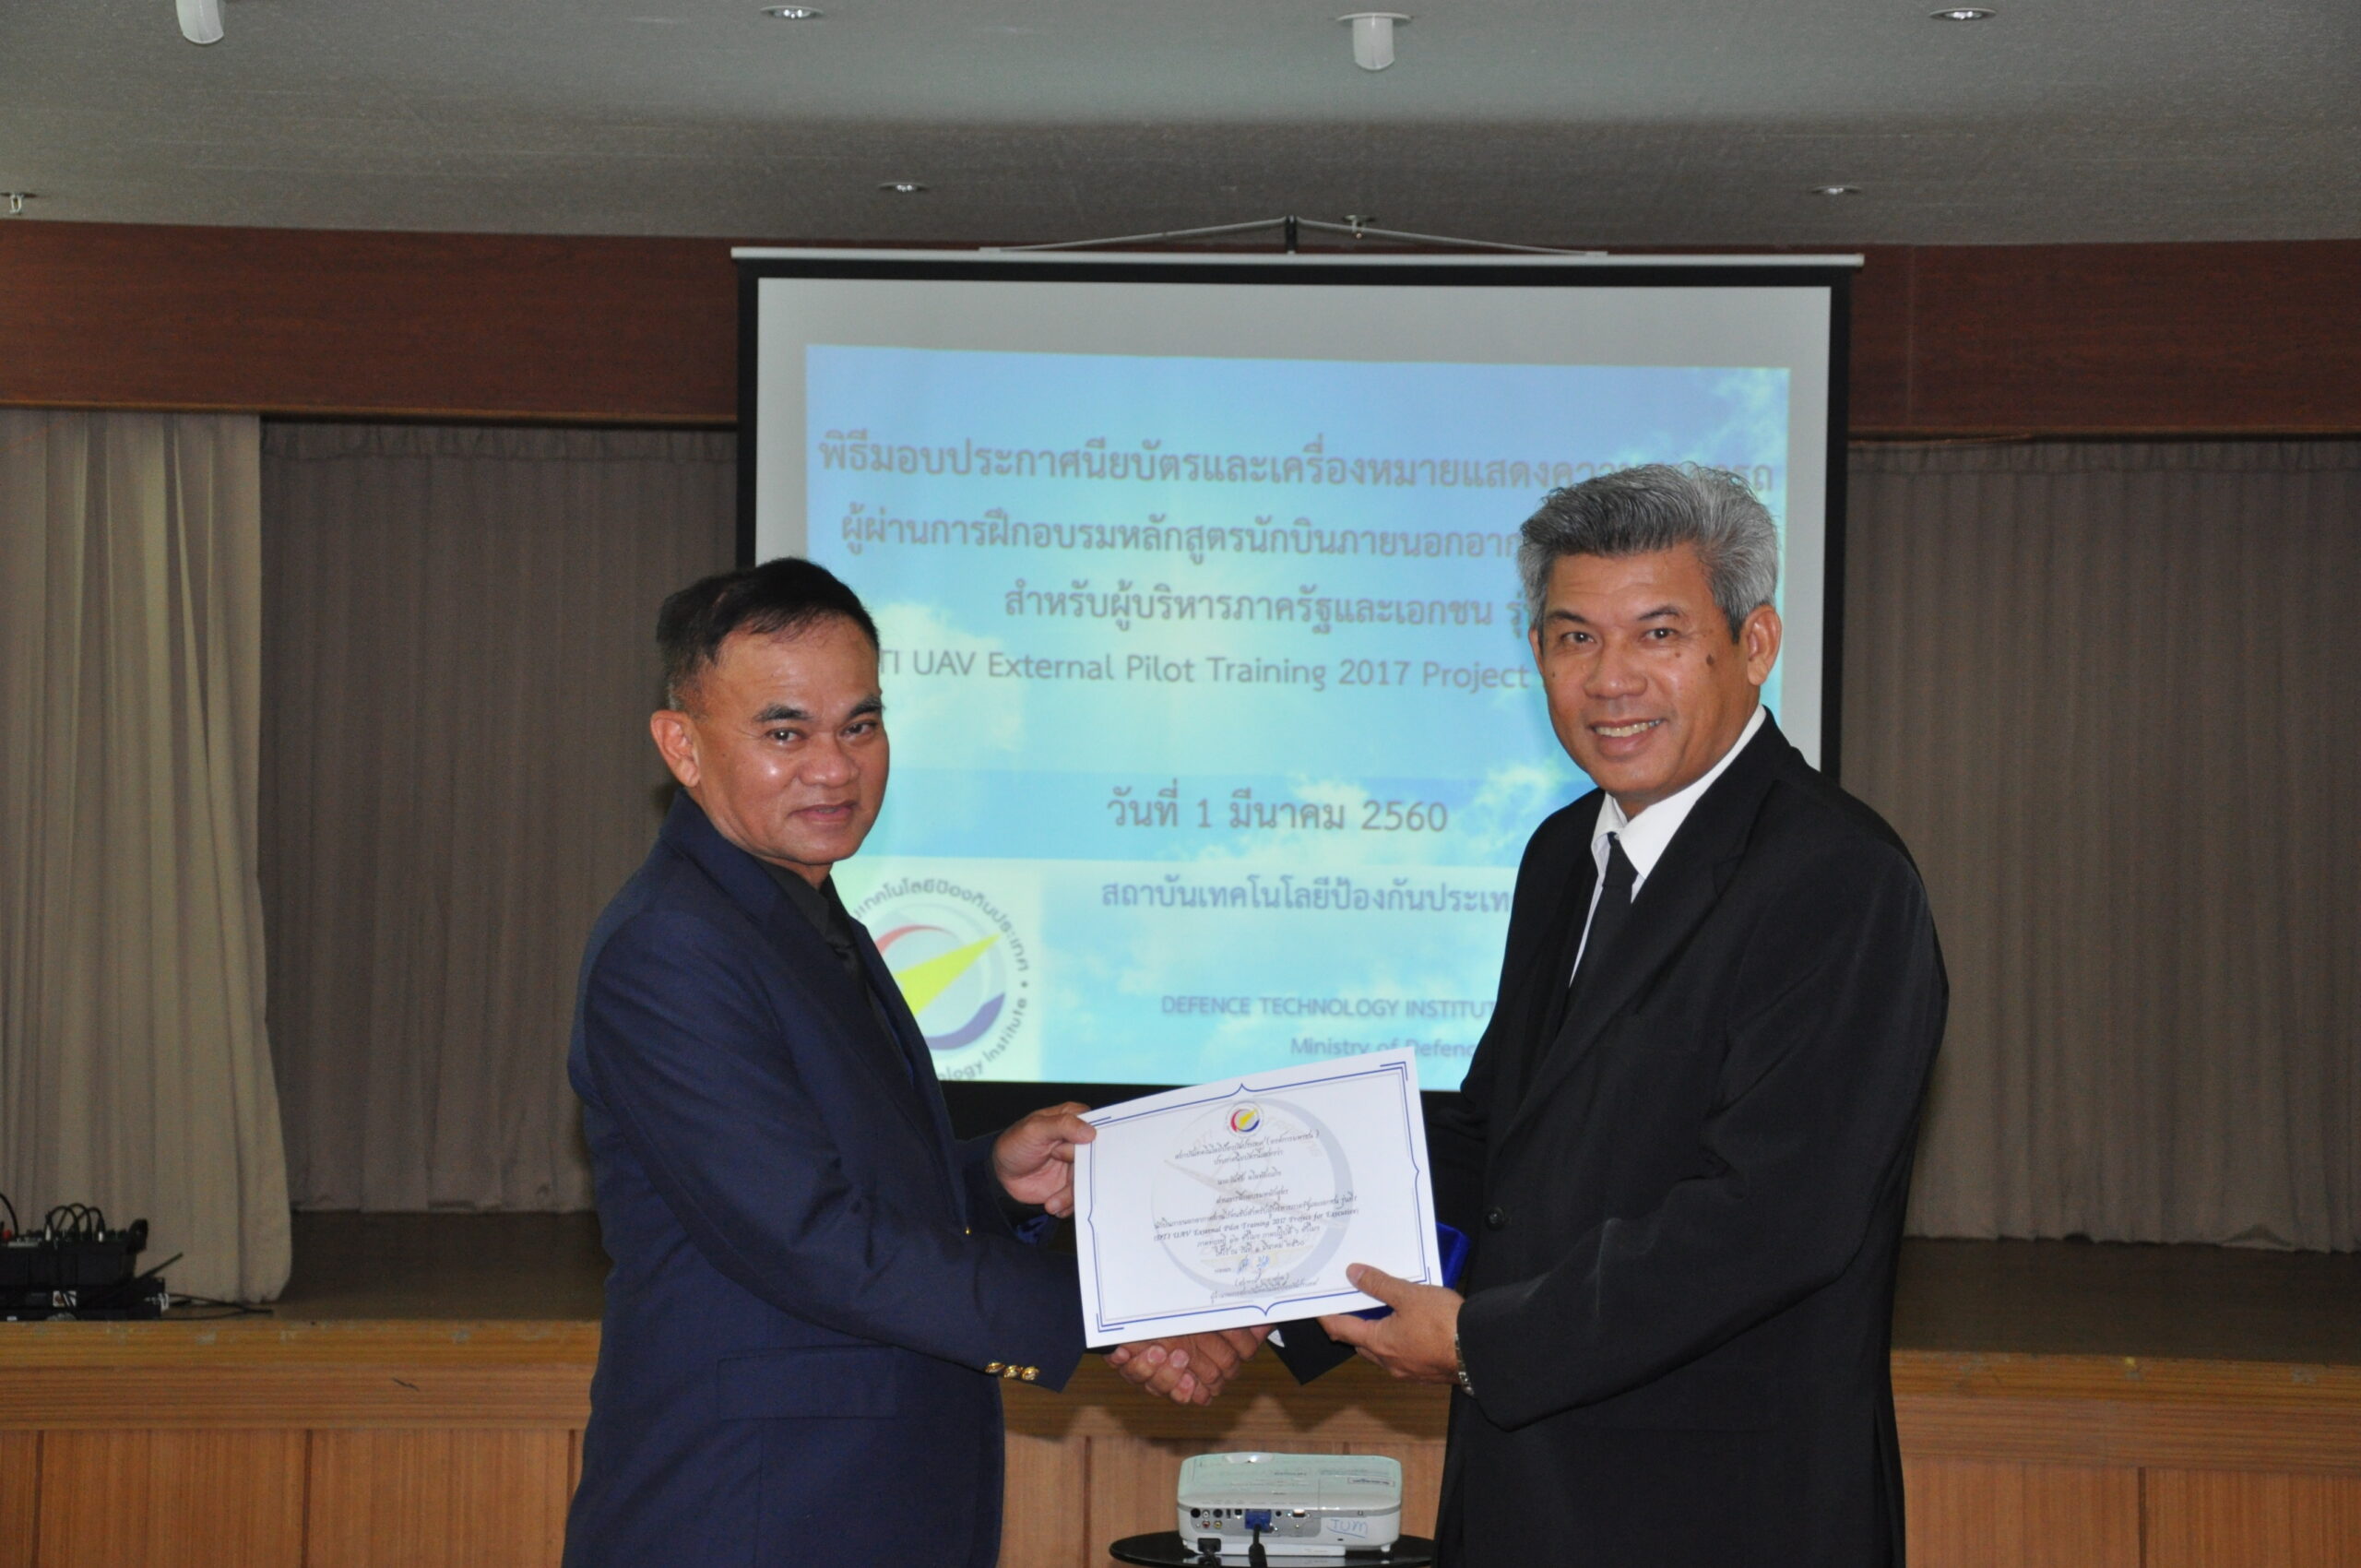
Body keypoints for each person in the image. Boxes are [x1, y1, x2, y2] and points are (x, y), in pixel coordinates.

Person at [564, 559, 1258, 1568]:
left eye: (861, 724)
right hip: (752, 1512)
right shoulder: (673, 945)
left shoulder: (792, 907)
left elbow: (837, 1175)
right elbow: (812, 1238)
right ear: (682, 745)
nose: (835, 768)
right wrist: (1117, 1310)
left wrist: (988, 1175)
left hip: (850, 1495)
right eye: (785, 732)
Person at [1313, 465, 1948, 1565]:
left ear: (1754, 643)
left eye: (1658, 633)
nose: (1610, 679)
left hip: (1720, 1513)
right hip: (1527, 1494)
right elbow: (1498, 1142)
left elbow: (1771, 1218)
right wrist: (1273, 1263)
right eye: (1574, 638)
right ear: (1536, 654)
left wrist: (1483, 1341)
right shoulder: (1564, 851)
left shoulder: (1837, 875)